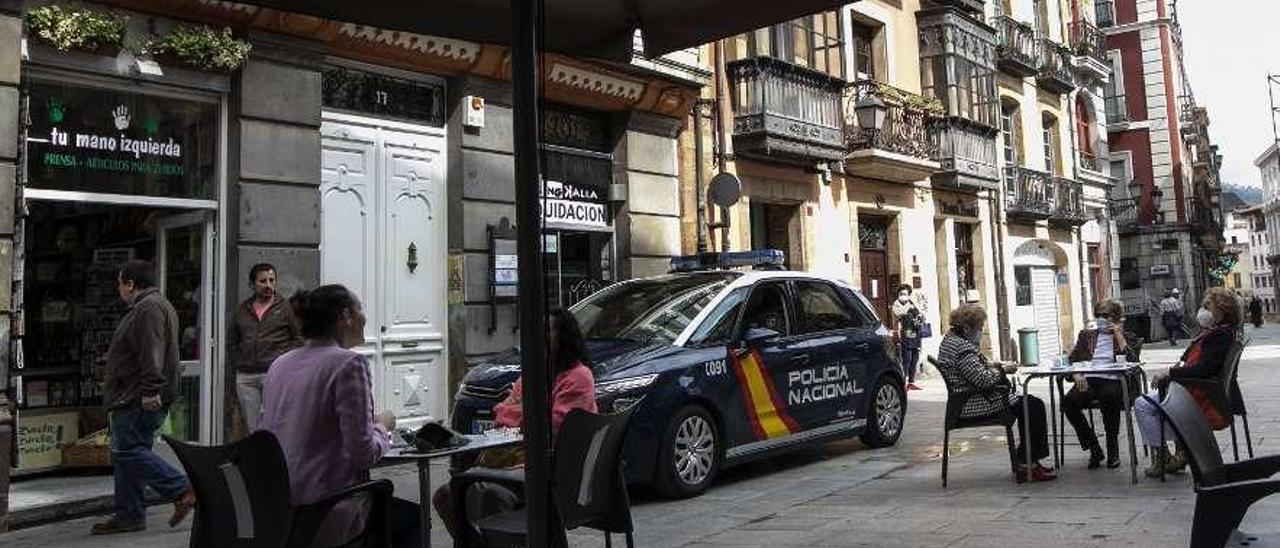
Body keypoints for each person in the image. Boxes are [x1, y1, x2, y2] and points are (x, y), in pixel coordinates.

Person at [260, 285, 419, 548]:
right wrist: (382, 426)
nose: (365, 317)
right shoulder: (348, 364)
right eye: (361, 310)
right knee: (412, 518)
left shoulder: (280, 364)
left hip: (280, 504)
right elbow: (363, 453)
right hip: (327, 505)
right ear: (345, 316)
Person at [432, 308, 597, 542]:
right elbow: (501, 414)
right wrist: (524, 412)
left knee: (488, 495)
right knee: (445, 496)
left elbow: (553, 425)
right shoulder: (533, 373)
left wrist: (520, 411)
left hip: (554, 469)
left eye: (547, 330)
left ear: (564, 336)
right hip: (514, 461)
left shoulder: (578, 376)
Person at [93, 260, 195, 534]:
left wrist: (151, 390)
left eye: (120, 283)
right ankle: (129, 514)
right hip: (135, 393)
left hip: (137, 396)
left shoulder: (148, 308)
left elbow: (152, 353)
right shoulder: (152, 306)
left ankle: (181, 487)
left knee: (127, 451)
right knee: (127, 454)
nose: (119, 289)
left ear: (130, 284)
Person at [936, 304, 1056, 482]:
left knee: (1030, 404)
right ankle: (1027, 462)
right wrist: (1003, 371)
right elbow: (982, 380)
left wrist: (996, 365)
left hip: (967, 398)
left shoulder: (950, 340)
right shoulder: (962, 348)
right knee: (1032, 406)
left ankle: (1027, 459)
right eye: (979, 328)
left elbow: (972, 370)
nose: (981, 332)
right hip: (972, 402)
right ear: (967, 328)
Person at [1133, 287, 1240, 478]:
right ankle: (1179, 453)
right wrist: (1177, 368)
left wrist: (1169, 373)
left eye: (1207, 307)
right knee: (1149, 403)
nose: (1203, 311)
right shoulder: (1218, 332)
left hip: (1197, 397)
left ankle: (1169, 455)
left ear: (1222, 310)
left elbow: (1203, 370)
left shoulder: (1220, 335)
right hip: (1194, 390)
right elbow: (1195, 361)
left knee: (1142, 405)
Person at [1060, 299, 1139, 470]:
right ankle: (1094, 448)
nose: (1101, 318)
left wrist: (1118, 335)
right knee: (1068, 402)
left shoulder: (1127, 337)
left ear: (1116, 317)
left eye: (1106, 315)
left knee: (1109, 396)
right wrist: (1076, 374)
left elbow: (1134, 363)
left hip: (1112, 379)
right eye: (1099, 315)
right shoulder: (1086, 336)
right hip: (1088, 379)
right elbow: (1072, 361)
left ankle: (1113, 451)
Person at [229, 263, 303, 433]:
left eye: (271, 280)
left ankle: (277, 457)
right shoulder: (242, 309)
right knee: (253, 427)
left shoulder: (285, 307)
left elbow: (298, 339)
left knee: (276, 423)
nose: (268, 285)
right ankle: (260, 458)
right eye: (263, 281)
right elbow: (232, 341)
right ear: (252, 285)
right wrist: (238, 361)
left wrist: (281, 359)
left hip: (274, 373)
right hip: (246, 376)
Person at [891, 284, 924, 391]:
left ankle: (911, 382)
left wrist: (921, 317)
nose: (903, 296)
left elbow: (920, 314)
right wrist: (909, 307)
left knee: (914, 359)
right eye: (901, 294)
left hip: (915, 334)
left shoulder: (912, 303)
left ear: (909, 295)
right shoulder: (896, 305)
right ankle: (903, 382)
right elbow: (899, 313)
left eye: (905, 294)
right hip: (904, 335)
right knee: (907, 359)